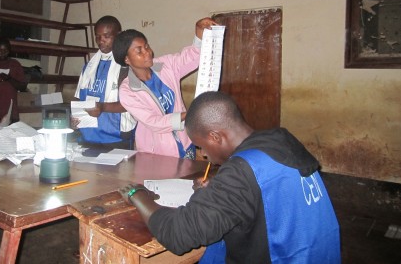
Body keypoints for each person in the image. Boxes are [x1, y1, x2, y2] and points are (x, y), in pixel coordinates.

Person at [119, 91, 341, 264]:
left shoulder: (241, 172)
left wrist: (137, 194)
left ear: (215, 137)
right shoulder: (279, 140)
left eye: (202, 146)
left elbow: (178, 234)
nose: (204, 154)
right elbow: (263, 191)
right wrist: (218, 193)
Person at [112, 17, 217, 158]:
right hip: (158, 151)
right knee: (166, 179)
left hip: (184, 141)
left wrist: (199, 34)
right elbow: (154, 122)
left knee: (189, 178)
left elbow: (190, 57)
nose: (148, 52)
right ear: (126, 59)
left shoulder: (165, 65)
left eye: (147, 46)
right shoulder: (128, 90)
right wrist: (188, 114)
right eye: (139, 51)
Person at [73, 15, 136, 149]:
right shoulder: (89, 66)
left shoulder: (126, 65)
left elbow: (131, 104)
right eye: (97, 36)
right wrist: (74, 117)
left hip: (116, 137)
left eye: (106, 36)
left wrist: (101, 106)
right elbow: (79, 96)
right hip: (88, 135)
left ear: (118, 36)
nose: (101, 41)